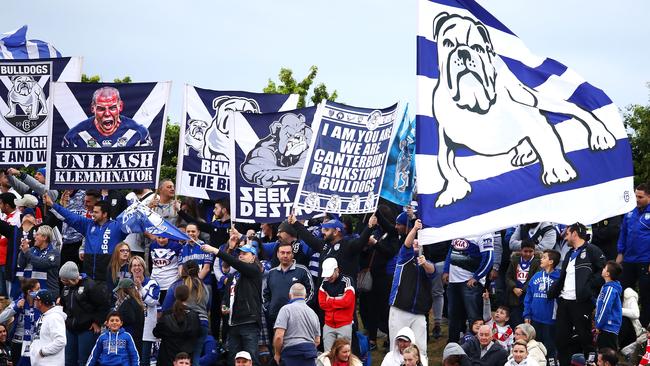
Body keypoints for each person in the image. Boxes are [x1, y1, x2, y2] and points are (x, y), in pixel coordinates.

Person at [548, 223, 605, 366]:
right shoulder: (568, 253)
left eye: (567, 233)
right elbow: (563, 277)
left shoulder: (593, 250)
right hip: (564, 301)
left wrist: (588, 286)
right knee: (561, 339)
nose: (564, 236)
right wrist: (553, 292)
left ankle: (591, 363)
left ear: (574, 233)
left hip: (581, 302)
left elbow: (603, 272)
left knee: (585, 338)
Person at [202, 238, 263, 366]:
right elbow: (226, 296)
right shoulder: (233, 277)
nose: (241, 255)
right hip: (232, 323)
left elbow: (236, 264)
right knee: (233, 360)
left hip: (249, 321)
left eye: (245, 253)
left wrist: (216, 251)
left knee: (251, 359)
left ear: (253, 257)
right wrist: (224, 306)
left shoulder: (254, 270)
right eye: (240, 253)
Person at [45, 195, 128, 282]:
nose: (93, 214)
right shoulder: (88, 225)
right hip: (89, 277)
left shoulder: (117, 227)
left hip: (109, 279)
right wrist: (52, 204)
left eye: (96, 212)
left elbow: (134, 223)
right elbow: (69, 216)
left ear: (104, 214)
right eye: (93, 212)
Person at [389, 219, 435, 360]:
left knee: (421, 349)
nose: (415, 243)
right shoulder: (404, 257)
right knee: (396, 348)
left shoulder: (426, 261)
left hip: (419, 311)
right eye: (414, 242)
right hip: (400, 309)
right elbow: (407, 244)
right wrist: (414, 229)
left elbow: (432, 271)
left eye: (418, 243)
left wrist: (424, 263)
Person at [444, 232, 495, 343]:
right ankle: (452, 345)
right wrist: (446, 270)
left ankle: (476, 345)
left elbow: (489, 258)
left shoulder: (485, 233)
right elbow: (451, 251)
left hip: (470, 283)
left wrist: (477, 277)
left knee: (474, 318)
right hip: (453, 282)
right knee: (453, 316)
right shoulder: (459, 227)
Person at [62, 86, 152, 148]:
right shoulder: (73, 136)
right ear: (93, 109)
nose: (107, 113)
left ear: (120, 106)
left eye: (112, 108)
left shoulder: (139, 133)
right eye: (101, 109)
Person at [59, 261, 110, 366]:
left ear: (72, 278)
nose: (62, 282)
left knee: (85, 361)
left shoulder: (91, 286)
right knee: (69, 361)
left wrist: (97, 321)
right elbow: (64, 306)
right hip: (70, 329)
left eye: (65, 280)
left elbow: (104, 305)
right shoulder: (65, 289)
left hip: (86, 329)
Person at [161, 260, 210, 366]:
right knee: (195, 357)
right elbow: (208, 306)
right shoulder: (205, 286)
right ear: (199, 270)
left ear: (183, 270)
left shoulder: (177, 285)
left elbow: (166, 306)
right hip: (203, 323)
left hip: (185, 323)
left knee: (181, 359)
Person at [617, 183, 650, 327]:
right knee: (624, 293)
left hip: (645, 260)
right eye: (635, 195)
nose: (636, 199)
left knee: (645, 295)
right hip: (629, 260)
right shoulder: (630, 211)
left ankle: (644, 327)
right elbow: (623, 233)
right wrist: (620, 253)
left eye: (640, 197)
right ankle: (625, 329)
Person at [263, 241, 314, 331]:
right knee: (278, 344)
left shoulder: (302, 270)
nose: (285, 255)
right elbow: (265, 294)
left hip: (297, 319)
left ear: (292, 254)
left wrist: (300, 307)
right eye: (282, 253)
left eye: (288, 253)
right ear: (277, 254)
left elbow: (311, 293)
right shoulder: (271, 273)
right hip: (275, 318)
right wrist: (269, 308)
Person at [523, 249, 561, 360]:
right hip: (534, 319)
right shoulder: (536, 276)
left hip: (550, 320)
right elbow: (528, 297)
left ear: (551, 261)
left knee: (549, 349)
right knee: (535, 348)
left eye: (544, 257)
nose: (541, 259)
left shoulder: (559, 278)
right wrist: (527, 314)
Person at [272, 283, 320, 366]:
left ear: (290, 295)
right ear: (305, 296)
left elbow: (279, 336)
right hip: (309, 355)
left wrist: (277, 354)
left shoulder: (286, 309)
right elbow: (317, 340)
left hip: (291, 354)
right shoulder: (313, 313)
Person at [154, 285, 201, 366]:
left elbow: (156, 332)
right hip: (185, 359)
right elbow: (197, 333)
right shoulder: (193, 315)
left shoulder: (166, 314)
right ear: (188, 296)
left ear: (175, 295)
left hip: (167, 357)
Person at [318, 257, 355, 352]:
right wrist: (339, 301)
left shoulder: (347, 281)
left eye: (330, 274)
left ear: (337, 270)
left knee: (343, 355)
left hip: (344, 324)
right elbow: (322, 304)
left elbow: (347, 302)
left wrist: (330, 300)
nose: (328, 277)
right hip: (328, 325)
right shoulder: (324, 282)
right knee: (328, 355)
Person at [0, 278, 40, 366]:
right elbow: (1, 318)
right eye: (37, 289)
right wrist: (15, 308)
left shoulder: (40, 303)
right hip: (18, 343)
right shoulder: (17, 302)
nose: (39, 291)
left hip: (34, 343)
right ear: (29, 292)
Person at [130, 255, 160, 366]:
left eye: (139, 265)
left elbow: (152, 302)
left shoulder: (152, 283)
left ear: (143, 267)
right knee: (132, 359)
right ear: (130, 268)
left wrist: (141, 288)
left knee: (145, 360)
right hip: (132, 327)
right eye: (134, 265)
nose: (137, 268)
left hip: (147, 327)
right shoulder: (127, 284)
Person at [505, 240, 539, 327]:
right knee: (516, 322)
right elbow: (508, 277)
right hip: (514, 296)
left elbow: (535, 279)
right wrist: (513, 288)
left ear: (534, 251)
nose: (528, 254)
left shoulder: (537, 262)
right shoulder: (514, 260)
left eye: (530, 251)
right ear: (521, 250)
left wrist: (523, 290)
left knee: (528, 324)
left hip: (529, 296)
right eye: (525, 251)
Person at [17, 225, 60, 293]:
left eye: (37, 235)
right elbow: (21, 264)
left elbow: (42, 264)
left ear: (44, 237)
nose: (34, 237)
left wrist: (26, 252)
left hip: (48, 292)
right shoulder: (31, 250)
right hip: (31, 291)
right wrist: (22, 251)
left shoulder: (54, 252)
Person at [29, 290, 66, 366]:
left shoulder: (55, 317)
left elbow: (61, 341)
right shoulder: (44, 316)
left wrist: (43, 351)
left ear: (40, 302)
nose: (34, 301)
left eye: (35, 299)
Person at [595, 261, 623, 350]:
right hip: (606, 327)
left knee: (607, 355)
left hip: (607, 327)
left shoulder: (610, 289)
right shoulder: (607, 287)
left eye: (604, 268)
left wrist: (599, 325)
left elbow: (605, 308)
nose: (602, 269)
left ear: (607, 273)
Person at [113, 278, 145, 356]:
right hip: (137, 338)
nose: (117, 293)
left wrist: (117, 321)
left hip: (130, 339)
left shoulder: (128, 302)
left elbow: (130, 319)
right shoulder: (137, 301)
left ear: (123, 290)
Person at [149, 235, 183, 302]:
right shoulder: (152, 245)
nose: (161, 240)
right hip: (155, 283)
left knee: (168, 310)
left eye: (163, 237)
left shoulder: (177, 246)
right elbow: (150, 264)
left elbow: (181, 264)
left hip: (170, 284)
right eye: (159, 237)